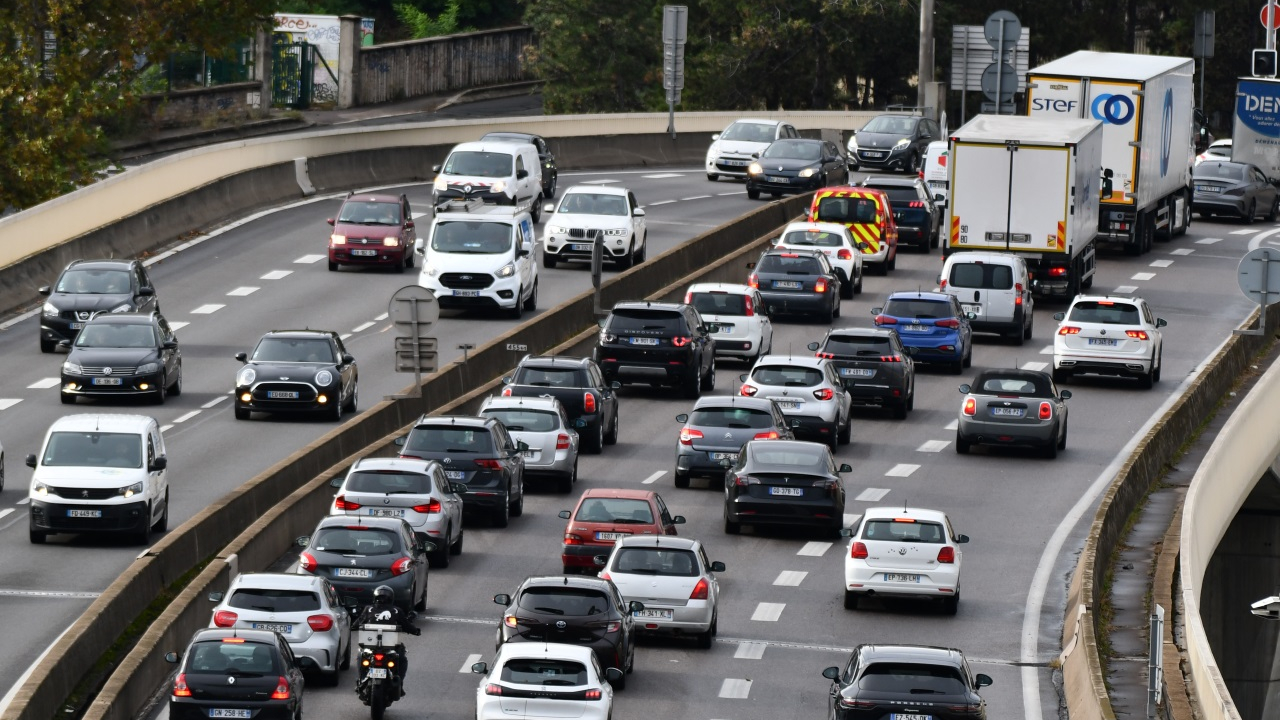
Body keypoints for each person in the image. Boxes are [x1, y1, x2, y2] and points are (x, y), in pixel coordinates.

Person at [355, 585, 420, 697]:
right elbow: (407, 626)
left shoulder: (368, 609)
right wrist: (416, 631)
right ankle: (399, 683)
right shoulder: (396, 610)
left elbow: (358, 623)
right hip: (390, 647)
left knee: (361, 655)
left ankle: (361, 681)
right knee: (402, 659)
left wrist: (353, 626)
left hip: (370, 646)